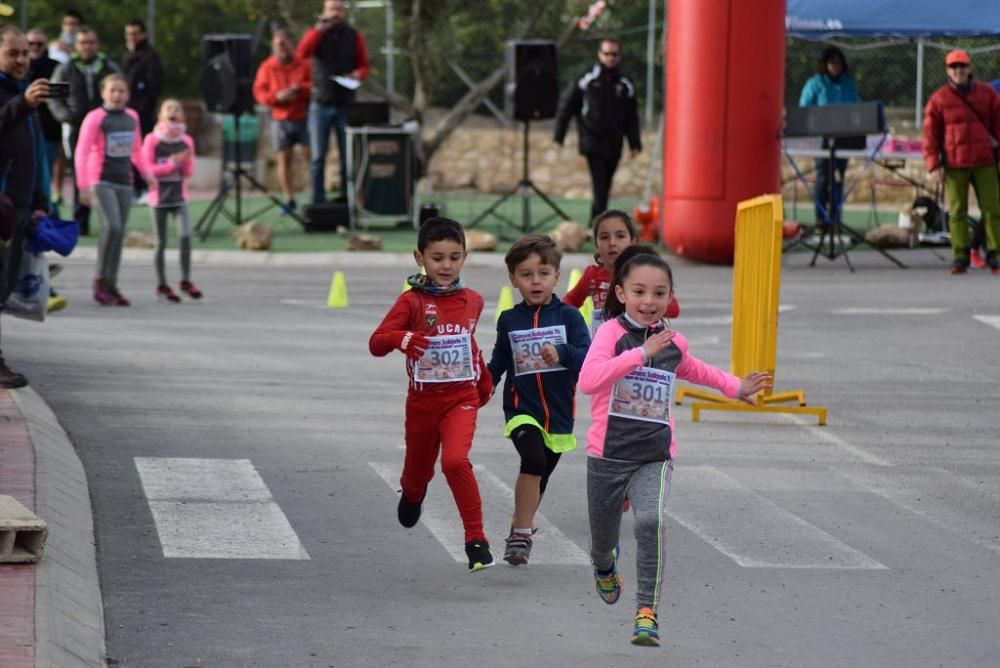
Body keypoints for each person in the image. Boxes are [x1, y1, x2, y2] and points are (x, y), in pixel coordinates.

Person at [578, 245, 771, 647]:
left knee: (650, 522)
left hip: (654, 455)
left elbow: (695, 368)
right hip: (608, 456)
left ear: (670, 297)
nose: (649, 301)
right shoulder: (611, 334)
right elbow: (589, 380)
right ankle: (603, 567)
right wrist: (638, 354)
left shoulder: (673, 341)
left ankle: (646, 612)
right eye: (640, 291)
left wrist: (735, 387)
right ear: (621, 294)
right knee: (602, 544)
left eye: (659, 293)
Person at [368, 217, 496, 572]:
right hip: (423, 403)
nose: (446, 265)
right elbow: (376, 343)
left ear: (465, 257)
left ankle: (476, 539)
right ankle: (413, 492)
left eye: (454, 257)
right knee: (417, 472)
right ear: (419, 257)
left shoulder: (473, 300)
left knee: (455, 461)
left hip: (461, 398)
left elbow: (468, 343)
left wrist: (483, 380)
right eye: (437, 257)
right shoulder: (411, 302)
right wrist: (402, 339)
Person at [487, 235, 591, 565]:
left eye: (543, 273)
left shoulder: (571, 317)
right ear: (513, 278)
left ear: (557, 276)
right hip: (521, 410)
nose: (536, 281)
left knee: (541, 474)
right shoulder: (509, 320)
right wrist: (482, 386)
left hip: (559, 415)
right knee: (532, 460)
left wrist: (561, 352)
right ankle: (521, 532)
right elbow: (499, 361)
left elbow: (587, 358)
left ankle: (523, 522)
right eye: (526, 274)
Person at [0, 27, 53, 387]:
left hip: (18, 208)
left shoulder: (24, 93)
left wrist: (38, 203)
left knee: (4, 286)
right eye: (13, 53)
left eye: (25, 53)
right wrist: (22, 105)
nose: (22, 60)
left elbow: (33, 155)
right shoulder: (17, 98)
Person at [923, 49, 1000, 276]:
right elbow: (930, 134)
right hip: (955, 163)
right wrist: (933, 164)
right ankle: (960, 257)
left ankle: (995, 255)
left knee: (993, 209)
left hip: (984, 160)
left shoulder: (987, 94)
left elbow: (998, 125)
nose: (959, 71)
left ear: (969, 68)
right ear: (947, 71)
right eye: (954, 67)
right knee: (957, 211)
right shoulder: (939, 99)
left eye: (962, 66)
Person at [554, 38, 641, 221]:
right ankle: (599, 222)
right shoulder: (587, 78)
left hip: (614, 140)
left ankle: (595, 220)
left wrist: (634, 142)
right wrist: (558, 136)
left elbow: (631, 115)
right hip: (592, 139)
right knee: (599, 181)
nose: (610, 58)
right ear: (600, 54)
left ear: (619, 56)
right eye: (607, 54)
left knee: (606, 183)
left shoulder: (625, 82)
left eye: (614, 54)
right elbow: (567, 106)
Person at [74, 73, 142, 305]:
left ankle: (112, 285)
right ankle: (100, 280)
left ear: (128, 95)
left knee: (119, 232)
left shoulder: (132, 117)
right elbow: (82, 151)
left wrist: (150, 176)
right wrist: (83, 186)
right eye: (112, 90)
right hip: (100, 180)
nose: (117, 95)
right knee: (111, 226)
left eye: (121, 91)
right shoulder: (95, 118)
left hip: (125, 181)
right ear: (103, 93)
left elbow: (137, 150)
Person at [296, 0, 369, 205]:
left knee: (348, 155)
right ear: (324, 12)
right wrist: (319, 29)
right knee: (318, 156)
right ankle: (318, 200)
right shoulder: (317, 34)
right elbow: (302, 53)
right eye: (331, 9)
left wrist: (358, 74)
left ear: (343, 12)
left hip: (345, 104)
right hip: (321, 103)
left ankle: (347, 199)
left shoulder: (354, 35)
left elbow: (364, 65)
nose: (335, 13)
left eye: (338, 9)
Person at [48, 26, 119, 236]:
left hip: (105, 128)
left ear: (97, 44)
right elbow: (54, 97)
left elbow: (121, 88)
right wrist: (65, 116)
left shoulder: (108, 67)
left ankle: (111, 222)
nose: (87, 47)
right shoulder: (66, 68)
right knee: (81, 172)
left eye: (91, 42)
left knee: (107, 172)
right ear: (76, 45)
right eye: (83, 43)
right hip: (77, 128)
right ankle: (81, 223)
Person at [564, 210, 679, 337]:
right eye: (604, 237)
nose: (612, 243)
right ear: (596, 244)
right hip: (603, 344)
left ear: (633, 241)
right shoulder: (592, 275)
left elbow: (673, 310)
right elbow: (568, 303)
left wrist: (646, 305)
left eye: (620, 236)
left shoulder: (646, 274)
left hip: (640, 343)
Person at [141, 98, 201, 303]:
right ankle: (162, 283)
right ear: (160, 115)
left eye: (177, 109)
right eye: (169, 108)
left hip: (179, 196)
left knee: (185, 236)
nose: (173, 112)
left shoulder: (186, 141)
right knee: (161, 241)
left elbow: (189, 171)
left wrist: (183, 163)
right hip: (159, 198)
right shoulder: (152, 140)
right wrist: (170, 164)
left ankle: (185, 279)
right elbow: (147, 169)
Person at [798, 47, 860, 227]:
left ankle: (835, 217)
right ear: (825, 64)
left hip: (843, 137)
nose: (835, 66)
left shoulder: (847, 84)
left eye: (838, 63)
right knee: (823, 177)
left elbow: (856, 107)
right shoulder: (816, 83)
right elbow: (804, 107)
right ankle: (820, 217)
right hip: (821, 139)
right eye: (832, 63)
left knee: (838, 177)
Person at [254, 29, 312, 214]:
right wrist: (277, 97)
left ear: (290, 44)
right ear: (274, 46)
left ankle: (314, 195)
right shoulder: (267, 66)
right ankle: (289, 199)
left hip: (303, 116)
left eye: (285, 44)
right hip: (280, 119)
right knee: (283, 160)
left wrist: (300, 90)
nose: (283, 48)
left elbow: (313, 85)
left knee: (310, 156)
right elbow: (260, 92)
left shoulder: (303, 64)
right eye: (279, 45)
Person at [122, 19, 163, 203]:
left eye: (135, 33)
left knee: (143, 149)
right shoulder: (127, 56)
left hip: (142, 114)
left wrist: (141, 107)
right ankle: (134, 187)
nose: (132, 37)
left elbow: (154, 86)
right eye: (129, 34)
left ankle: (145, 187)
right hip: (127, 112)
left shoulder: (151, 56)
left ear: (144, 34)